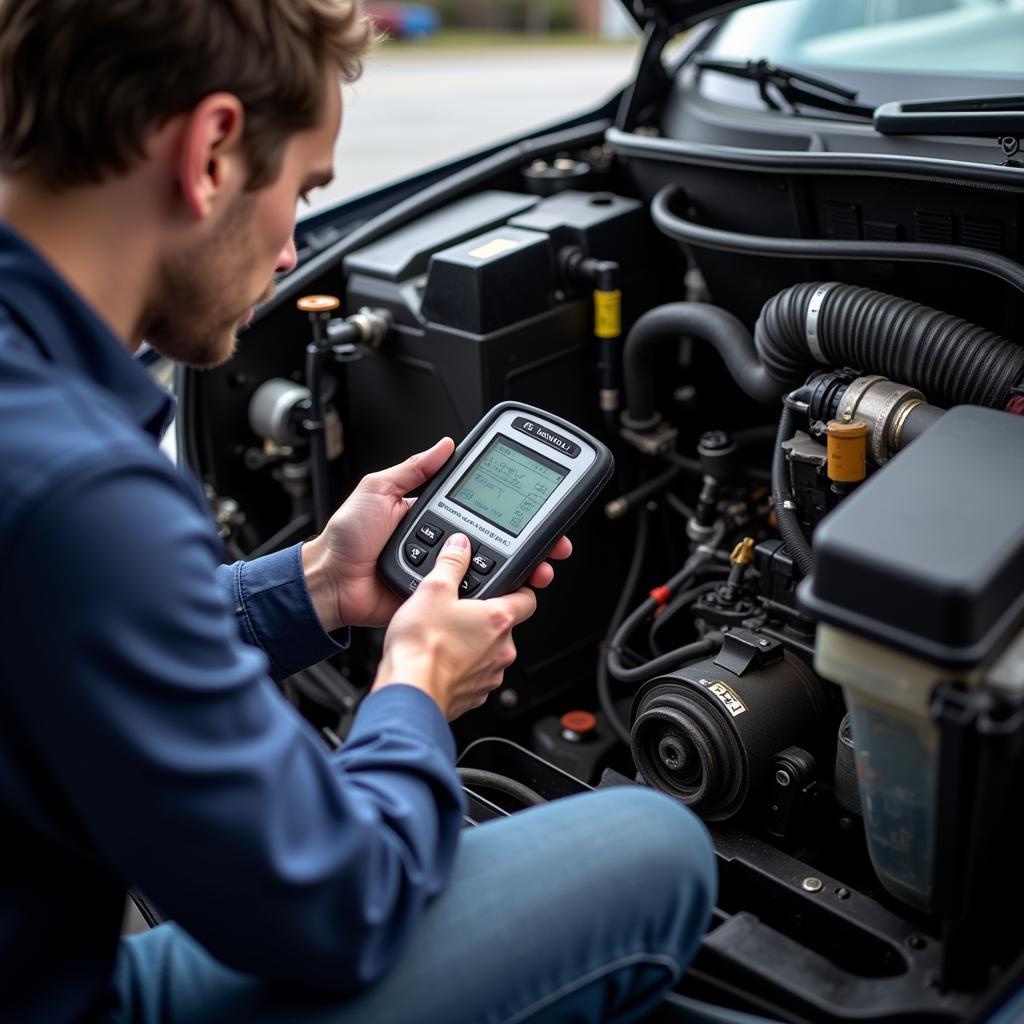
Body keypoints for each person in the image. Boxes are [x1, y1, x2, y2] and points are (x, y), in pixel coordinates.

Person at [0, 2, 717, 1022]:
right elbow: (338, 902)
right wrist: (415, 686)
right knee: (652, 850)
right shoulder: (82, 486)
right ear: (209, 153)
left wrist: (316, 586)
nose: (295, 247)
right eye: (304, 190)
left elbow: (75, 628)